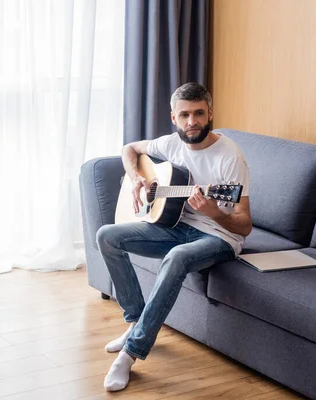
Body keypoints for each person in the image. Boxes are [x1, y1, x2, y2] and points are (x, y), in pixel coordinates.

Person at [96, 82, 252, 391]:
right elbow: (131, 148)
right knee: (107, 236)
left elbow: (244, 225)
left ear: (210, 114)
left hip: (218, 237)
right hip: (175, 224)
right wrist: (137, 177)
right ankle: (135, 322)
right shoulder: (170, 144)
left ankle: (132, 353)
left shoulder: (230, 156)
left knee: (177, 256)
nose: (191, 121)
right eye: (184, 115)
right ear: (174, 117)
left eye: (198, 113)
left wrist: (215, 212)